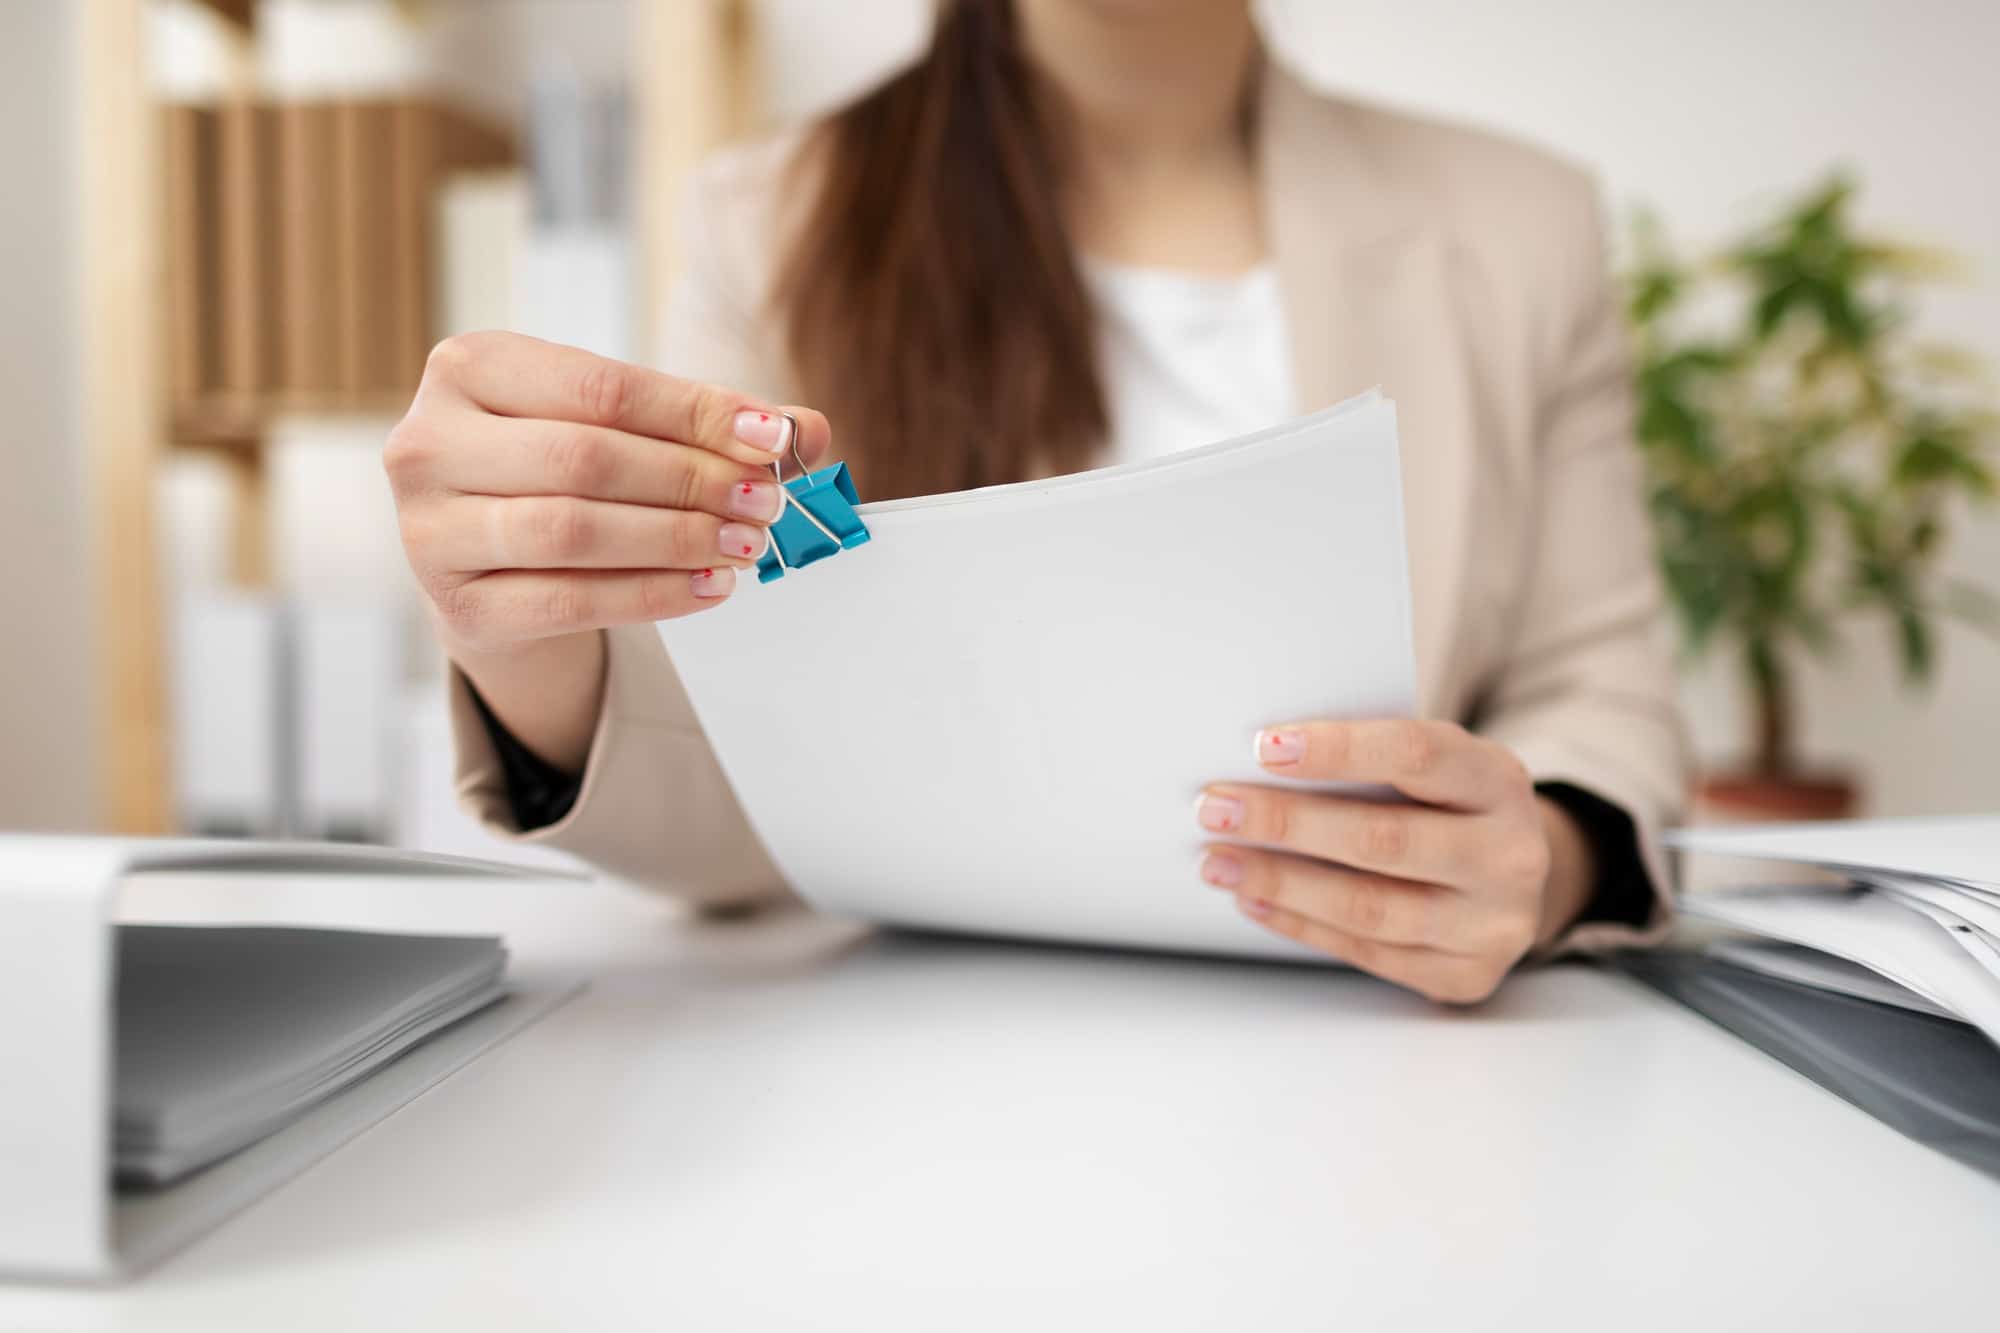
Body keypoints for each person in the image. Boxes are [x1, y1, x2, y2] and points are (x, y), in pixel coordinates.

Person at [385, 0, 1689, 1003]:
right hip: (907, 1077)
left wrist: (1544, 863)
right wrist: (530, 638)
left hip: (1393, 1074)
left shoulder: (1523, 227)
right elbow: (738, 778)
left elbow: (1600, 694)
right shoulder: (773, 224)